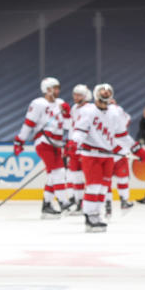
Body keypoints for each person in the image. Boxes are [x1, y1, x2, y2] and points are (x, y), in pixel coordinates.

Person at [67, 83, 145, 232]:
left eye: (108, 91)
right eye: (103, 91)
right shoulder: (88, 111)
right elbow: (80, 130)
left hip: (108, 155)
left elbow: (122, 135)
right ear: (97, 93)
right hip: (91, 155)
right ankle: (89, 216)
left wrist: (136, 149)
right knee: (94, 186)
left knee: (103, 188)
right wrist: (73, 143)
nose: (105, 93)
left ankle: (96, 215)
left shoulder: (114, 113)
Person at [14, 77, 72, 218]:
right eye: (55, 88)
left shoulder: (60, 103)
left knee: (54, 175)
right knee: (58, 171)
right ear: (47, 89)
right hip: (44, 142)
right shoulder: (38, 103)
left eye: (58, 87)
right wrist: (20, 141)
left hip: (57, 144)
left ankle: (47, 205)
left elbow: (67, 126)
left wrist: (67, 114)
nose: (58, 90)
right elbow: (29, 123)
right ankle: (63, 201)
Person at [65, 84, 92, 215]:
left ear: (86, 96)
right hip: (74, 147)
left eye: (79, 95)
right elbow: (70, 127)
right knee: (75, 176)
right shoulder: (74, 108)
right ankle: (78, 203)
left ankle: (87, 204)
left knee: (85, 177)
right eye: (75, 94)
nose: (76, 97)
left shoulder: (90, 109)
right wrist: (69, 143)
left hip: (84, 148)